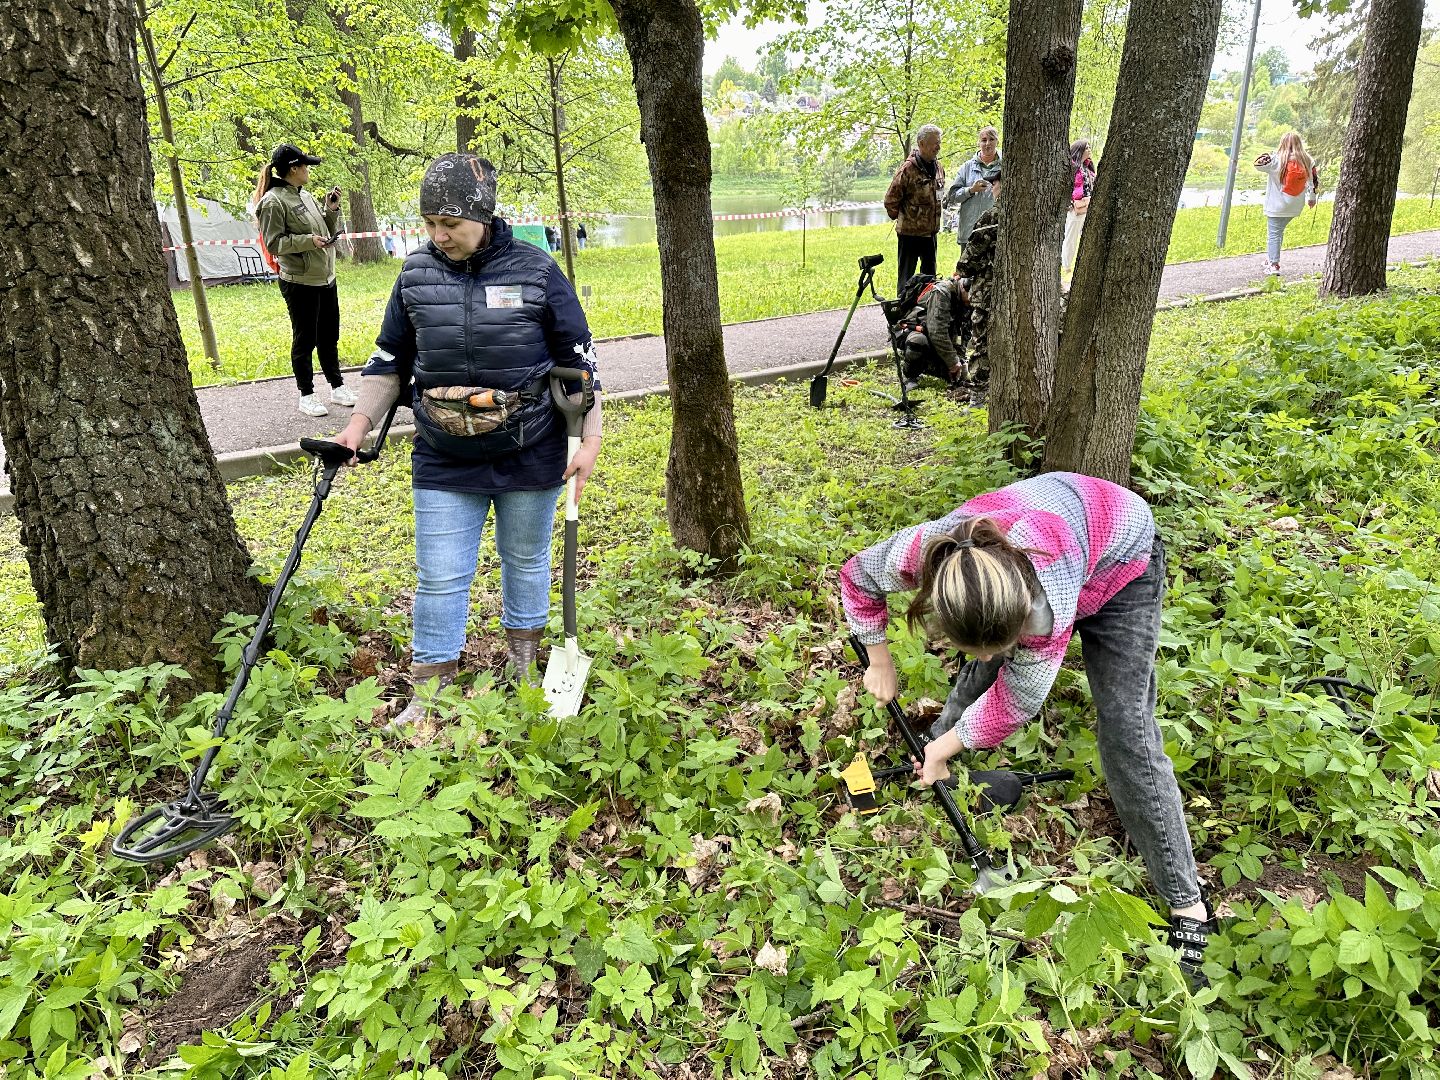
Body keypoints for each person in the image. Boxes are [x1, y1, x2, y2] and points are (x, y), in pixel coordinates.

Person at [841, 472, 1214, 984]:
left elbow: (1016, 702)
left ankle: (1186, 899)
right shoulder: (923, 553)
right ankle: (931, 757)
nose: (997, 652)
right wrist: (878, 660)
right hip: (1048, 538)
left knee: (1126, 729)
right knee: (986, 669)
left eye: (1006, 641)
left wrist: (953, 741)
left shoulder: (1046, 606)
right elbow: (857, 577)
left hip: (1122, 560)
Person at [333, 152, 603, 724]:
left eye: (450, 224)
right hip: (443, 450)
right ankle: (429, 691)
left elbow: (577, 362)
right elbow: (388, 362)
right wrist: (356, 427)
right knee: (440, 572)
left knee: (526, 560)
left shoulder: (536, 270)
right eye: (430, 223)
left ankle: (524, 666)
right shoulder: (414, 275)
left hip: (531, 447)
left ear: (484, 215)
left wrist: (589, 439)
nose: (439, 235)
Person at [254, 143, 357, 418]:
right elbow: (274, 244)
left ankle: (337, 387)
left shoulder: (306, 195)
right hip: (299, 281)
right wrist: (308, 241)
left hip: (325, 278)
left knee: (329, 336)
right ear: (293, 169)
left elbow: (323, 229)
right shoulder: (273, 202)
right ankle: (307, 394)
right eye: (305, 165)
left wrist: (330, 210)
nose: (308, 170)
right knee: (305, 339)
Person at [884, 125, 946, 295]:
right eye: (934, 143)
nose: (938, 147)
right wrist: (908, 218)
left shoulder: (939, 167)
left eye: (939, 143)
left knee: (930, 281)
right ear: (921, 144)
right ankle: (902, 316)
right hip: (909, 235)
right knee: (906, 280)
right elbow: (890, 200)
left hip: (930, 234)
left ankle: (925, 315)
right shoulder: (907, 169)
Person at [898, 259, 969, 391]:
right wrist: (953, 362)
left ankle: (935, 368)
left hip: (941, 341)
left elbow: (964, 334)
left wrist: (960, 362)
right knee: (917, 341)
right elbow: (936, 332)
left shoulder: (967, 302)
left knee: (960, 375)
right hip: (919, 332)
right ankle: (910, 376)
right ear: (963, 286)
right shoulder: (942, 292)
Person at [1254, 132, 1319, 276]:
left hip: (1277, 206)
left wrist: (1268, 155)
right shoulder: (1307, 159)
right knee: (1279, 231)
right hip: (1296, 204)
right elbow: (1314, 180)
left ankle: (1274, 265)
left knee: (1274, 234)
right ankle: (1271, 258)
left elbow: (1258, 164)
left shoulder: (1276, 160)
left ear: (1282, 143)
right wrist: (1312, 198)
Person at [957, 172, 1000, 386]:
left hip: (988, 293)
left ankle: (979, 397)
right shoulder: (1033, 213)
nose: (993, 187)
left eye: (995, 183)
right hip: (1023, 297)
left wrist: (963, 274)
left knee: (982, 345)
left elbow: (966, 263)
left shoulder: (991, 217)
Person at [945, 126, 1001, 252]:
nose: (987, 143)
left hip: (995, 233)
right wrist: (970, 190)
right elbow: (953, 196)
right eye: (984, 140)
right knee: (966, 270)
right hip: (970, 232)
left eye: (991, 139)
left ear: (997, 141)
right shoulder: (967, 167)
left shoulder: (1006, 165)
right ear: (979, 143)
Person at [1063, 140, 1096, 276]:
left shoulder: (1087, 167)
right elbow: (1074, 189)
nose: (1089, 149)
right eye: (1086, 147)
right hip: (1076, 207)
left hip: (1087, 205)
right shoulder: (1075, 168)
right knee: (1071, 235)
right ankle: (1066, 264)